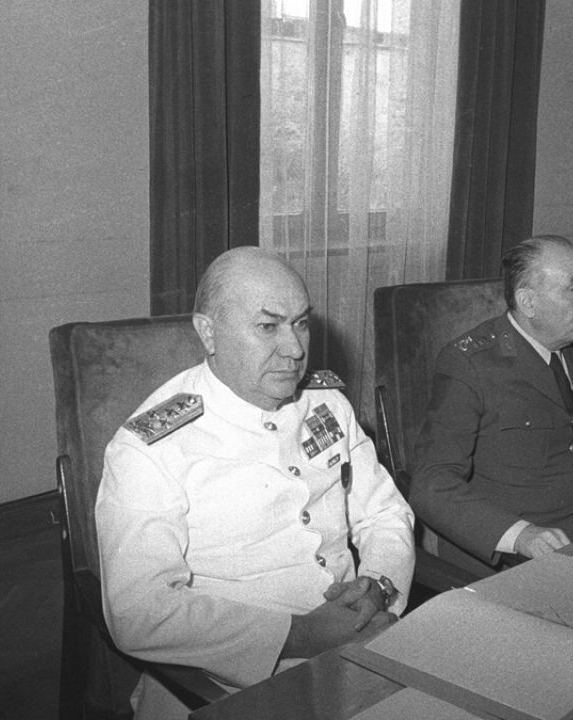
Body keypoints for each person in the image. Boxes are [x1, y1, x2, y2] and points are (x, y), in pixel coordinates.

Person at [95, 247, 415, 720]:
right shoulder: (151, 446)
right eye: (268, 326)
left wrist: (380, 585)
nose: (295, 349)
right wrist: (301, 635)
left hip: (360, 645)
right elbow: (139, 612)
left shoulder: (327, 404)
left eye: (301, 323)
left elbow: (385, 512)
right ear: (208, 333)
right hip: (230, 682)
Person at [409, 236, 573, 576]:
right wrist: (520, 536)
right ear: (528, 302)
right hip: (507, 563)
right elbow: (431, 483)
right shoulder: (470, 365)